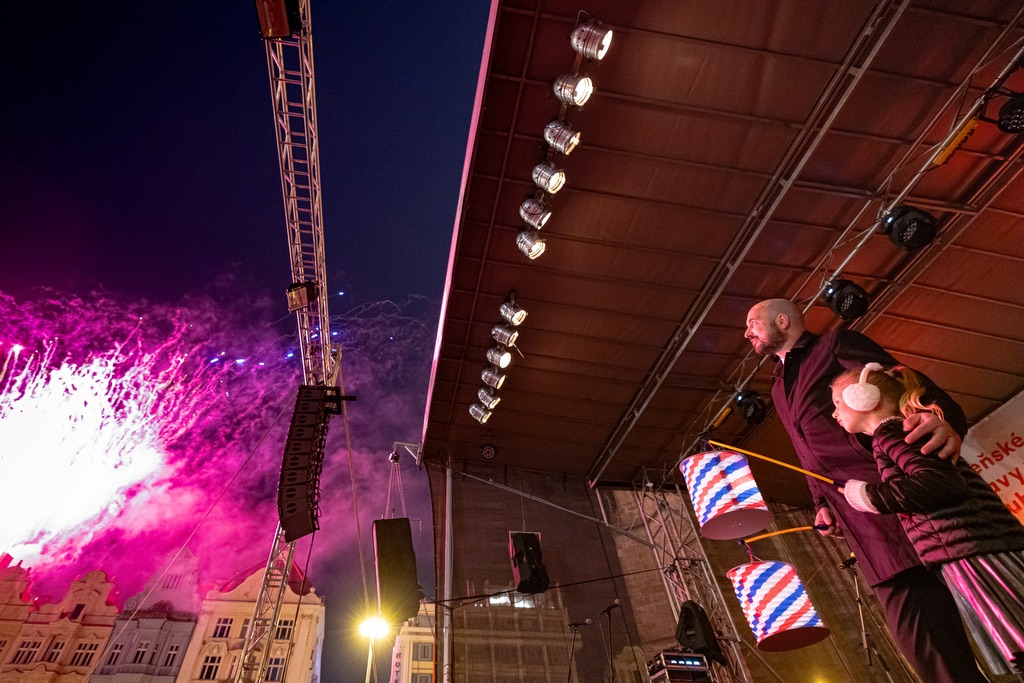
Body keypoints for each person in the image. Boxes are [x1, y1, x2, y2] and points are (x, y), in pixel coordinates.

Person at [744, 298, 986, 683]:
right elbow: (805, 452)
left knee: (999, 618)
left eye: (753, 323)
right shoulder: (776, 387)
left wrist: (944, 421)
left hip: (910, 496)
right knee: (928, 652)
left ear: (783, 321)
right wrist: (822, 504)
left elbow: (906, 382)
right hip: (866, 526)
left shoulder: (835, 345)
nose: (747, 333)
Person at [832, 362, 1024, 673]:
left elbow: (939, 483)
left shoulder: (891, 433)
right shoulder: (898, 431)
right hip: (969, 546)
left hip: (970, 548)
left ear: (864, 397)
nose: (834, 413)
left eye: (838, 403)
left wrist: (870, 496)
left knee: (1017, 638)